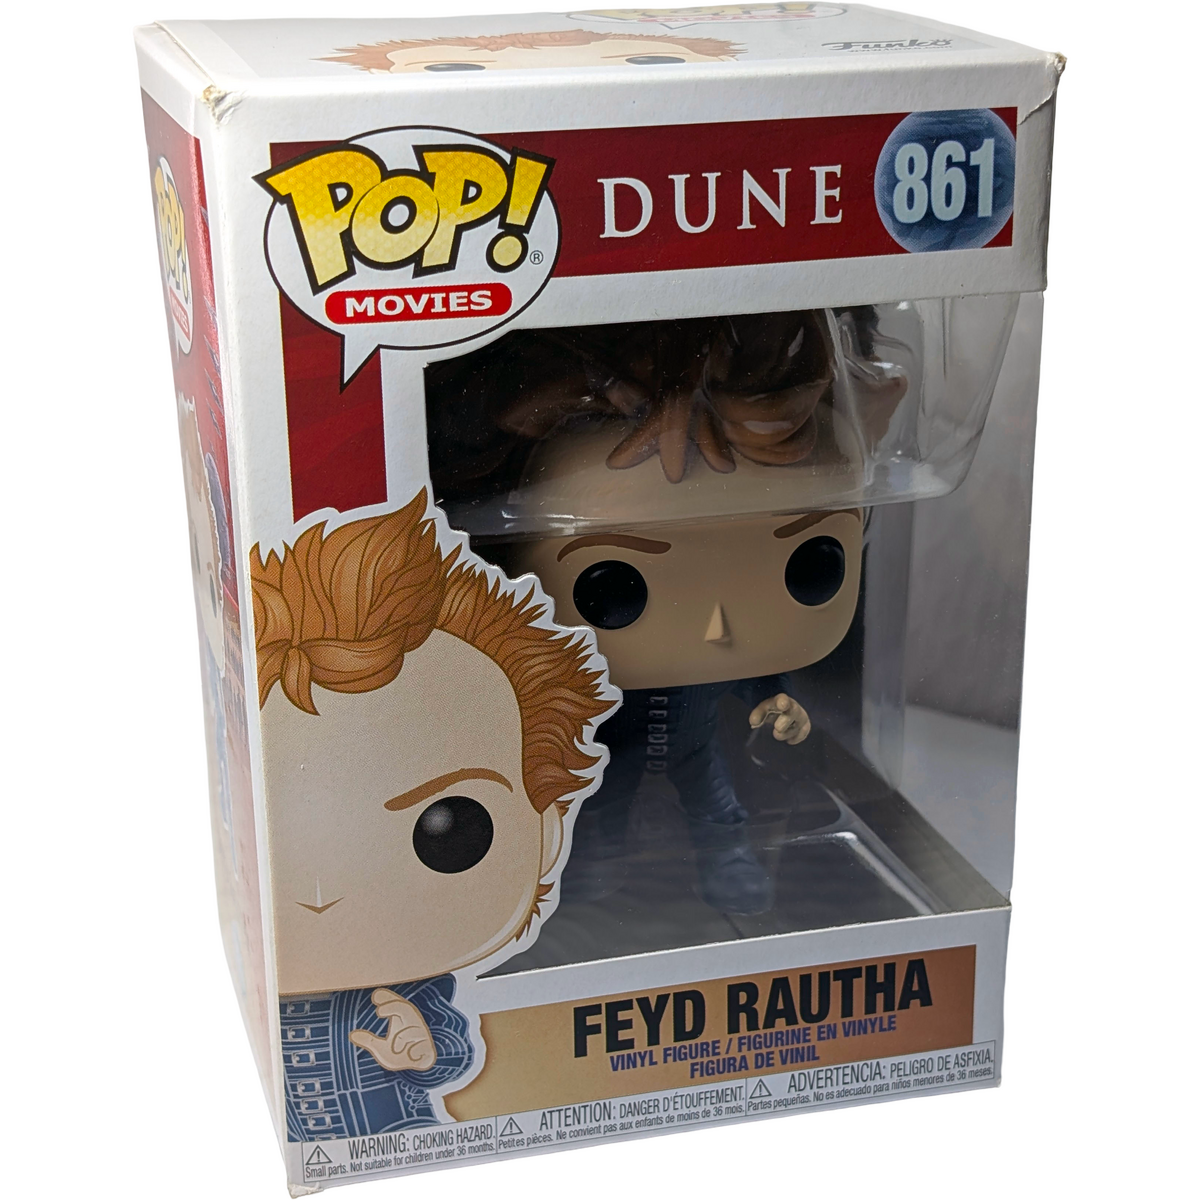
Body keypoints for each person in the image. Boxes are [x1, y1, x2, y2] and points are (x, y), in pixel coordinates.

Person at [252, 491, 613, 1138]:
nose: (323, 894)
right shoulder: (269, 985)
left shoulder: (411, 988)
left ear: (549, 830)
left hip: (399, 1135)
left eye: (447, 831)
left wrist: (421, 1051)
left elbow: (454, 1048)